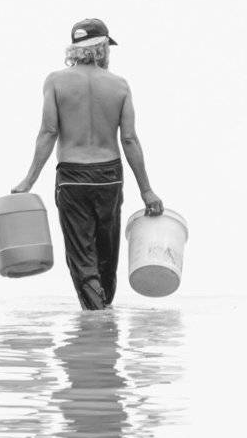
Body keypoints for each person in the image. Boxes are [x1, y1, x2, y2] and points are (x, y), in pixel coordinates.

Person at [11, 18, 163, 310]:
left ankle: (95, 318)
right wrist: (147, 191)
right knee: (107, 256)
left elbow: (48, 132)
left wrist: (28, 180)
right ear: (103, 47)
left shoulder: (55, 82)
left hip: (72, 178)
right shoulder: (119, 85)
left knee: (82, 257)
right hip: (109, 177)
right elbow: (129, 139)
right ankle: (103, 318)